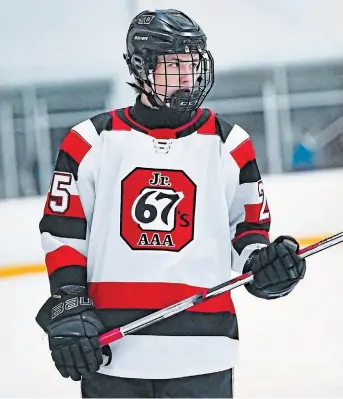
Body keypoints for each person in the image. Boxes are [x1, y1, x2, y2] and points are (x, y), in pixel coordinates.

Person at [35, 8, 306, 398]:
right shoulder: (90, 141)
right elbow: (64, 236)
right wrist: (69, 307)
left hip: (205, 354)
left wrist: (267, 267)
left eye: (193, 64)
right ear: (142, 67)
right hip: (114, 354)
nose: (187, 76)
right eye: (175, 64)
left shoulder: (230, 144)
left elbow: (247, 235)